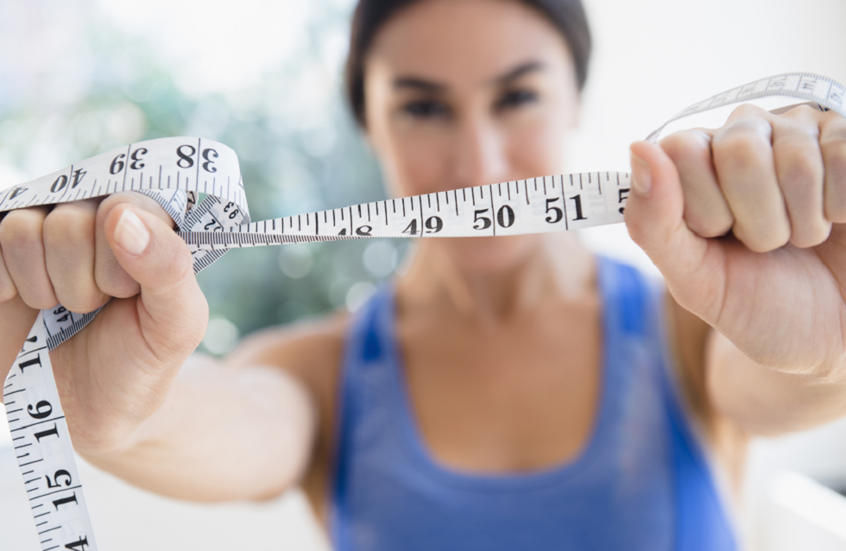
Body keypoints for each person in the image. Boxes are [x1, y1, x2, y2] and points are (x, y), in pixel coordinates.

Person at [1, 0, 845, 548]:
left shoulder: (697, 327)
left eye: (517, 97)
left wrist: (832, 345)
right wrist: (122, 406)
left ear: (576, 98)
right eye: (422, 107)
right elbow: (216, 418)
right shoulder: (323, 373)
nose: (478, 162)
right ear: (369, 123)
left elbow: (788, 377)